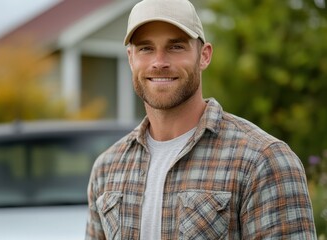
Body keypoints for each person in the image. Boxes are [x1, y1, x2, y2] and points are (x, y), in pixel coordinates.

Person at [85, 0, 317, 239]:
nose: (159, 61)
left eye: (175, 47)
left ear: (204, 56)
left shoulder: (263, 160)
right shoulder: (107, 169)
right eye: (146, 48)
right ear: (131, 58)